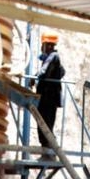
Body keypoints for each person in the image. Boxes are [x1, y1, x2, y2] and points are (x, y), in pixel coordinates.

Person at [34, 31, 65, 159]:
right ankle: (47, 152)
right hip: (48, 97)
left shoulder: (53, 56)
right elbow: (61, 71)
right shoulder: (52, 58)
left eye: (43, 45)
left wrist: (34, 78)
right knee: (45, 124)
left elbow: (43, 71)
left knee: (45, 124)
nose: (42, 48)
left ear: (48, 45)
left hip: (48, 98)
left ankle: (50, 153)